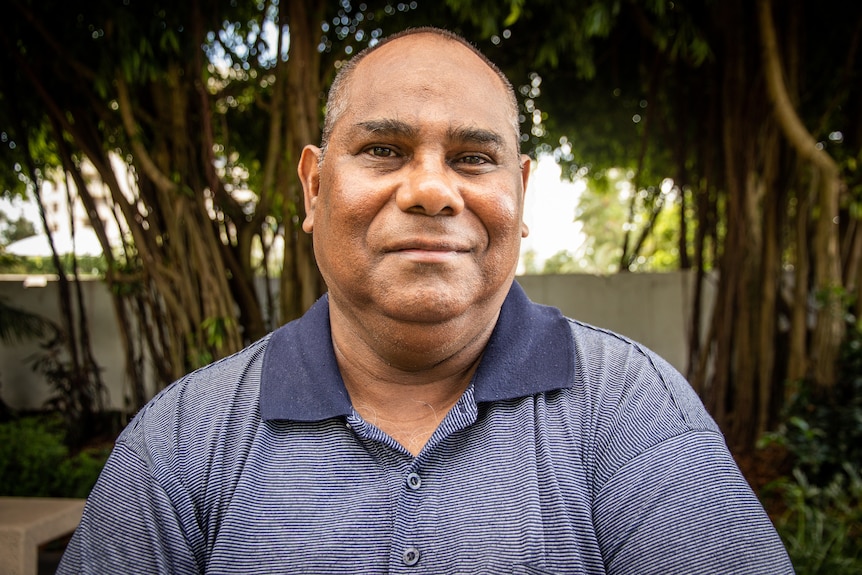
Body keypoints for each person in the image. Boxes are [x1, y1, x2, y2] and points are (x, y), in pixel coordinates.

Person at [58, 27, 794, 574]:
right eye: (383, 150)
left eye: (473, 158)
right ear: (314, 187)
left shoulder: (631, 406)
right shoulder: (183, 439)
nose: (433, 190)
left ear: (521, 193)